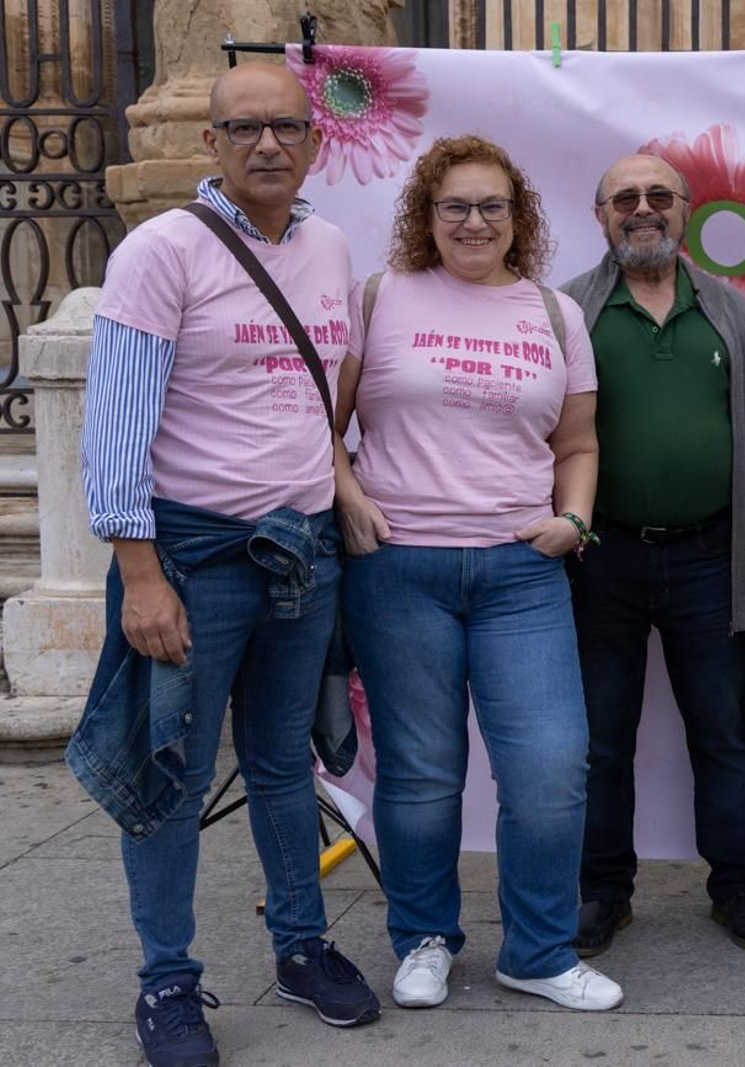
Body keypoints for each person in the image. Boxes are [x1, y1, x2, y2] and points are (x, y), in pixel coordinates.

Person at [73, 63, 381, 1067]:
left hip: (300, 554)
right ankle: (166, 979)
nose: (266, 145)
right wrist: (142, 573)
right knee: (171, 773)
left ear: (313, 141)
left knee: (286, 764)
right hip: (192, 557)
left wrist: (332, 484)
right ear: (210, 142)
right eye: (242, 127)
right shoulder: (160, 252)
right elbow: (113, 423)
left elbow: (325, 380)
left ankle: (301, 945)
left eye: (285, 127)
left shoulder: (331, 245)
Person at [333, 135, 622, 1014]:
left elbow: (576, 443)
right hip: (399, 567)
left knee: (549, 767)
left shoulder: (553, 313)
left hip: (520, 573)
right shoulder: (378, 298)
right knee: (420, 773)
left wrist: (572, 519)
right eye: (454, 205)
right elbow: (322, 424)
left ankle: (537, 950)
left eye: (492, 205)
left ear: (518, 217)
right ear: (427, 216)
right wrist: (346, 492)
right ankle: (424, 938)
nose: (473, 220)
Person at [560, 153, 745, 956]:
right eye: (625, 196)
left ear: (686, 210)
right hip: (600, 561)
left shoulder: (728, 311)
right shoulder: (569, 312)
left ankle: (737, 887)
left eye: (659, 195)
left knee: (721, 731)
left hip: (707, 558)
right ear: (600, 214)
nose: (643, 207)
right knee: (601, 735)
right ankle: (604, 892)